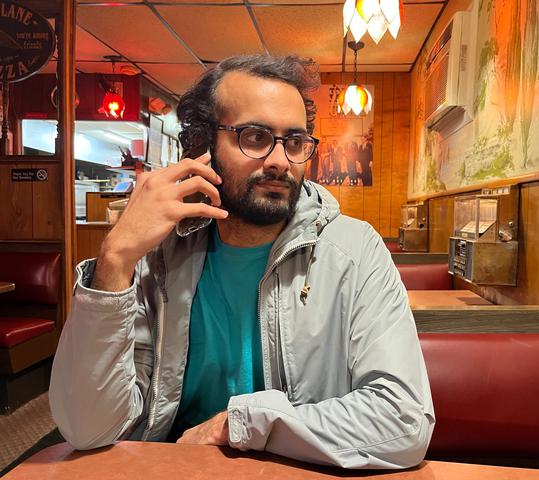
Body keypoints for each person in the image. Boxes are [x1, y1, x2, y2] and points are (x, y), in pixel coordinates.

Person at [49, 54, 435, 469]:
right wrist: (114, 258)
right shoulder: (155, 257)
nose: (280, 161)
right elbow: (87, 428)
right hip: (174, 468)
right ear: (203, 147)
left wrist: (237, 424)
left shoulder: (355, 251)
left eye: (294, 142)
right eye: (255, 137)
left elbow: (402, 420)